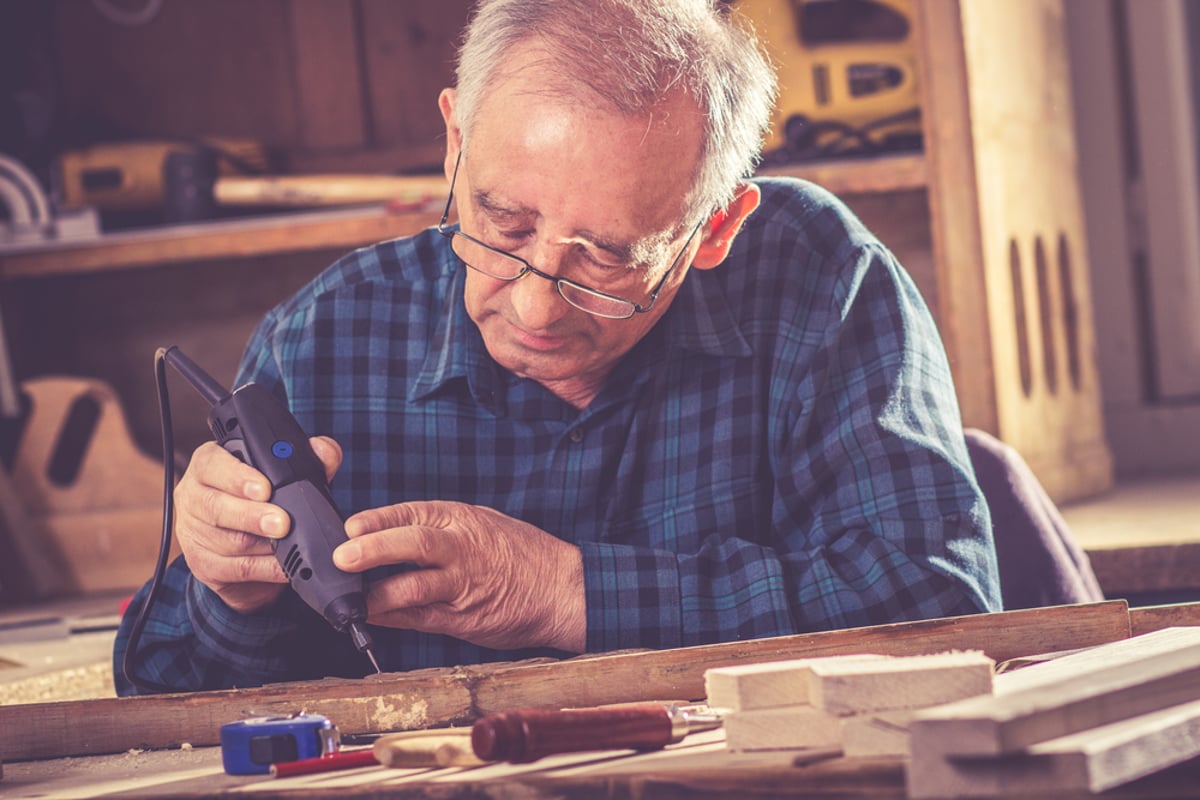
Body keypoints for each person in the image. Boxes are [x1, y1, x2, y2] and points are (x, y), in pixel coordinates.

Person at [114, 0, 1000, 695]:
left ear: (715, 226)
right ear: (456, 143)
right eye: (502, 224)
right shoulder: (325, 337)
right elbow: (154, 681)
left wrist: (566, 593)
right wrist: (232, 592)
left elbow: (943, 603)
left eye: (608, 258)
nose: (536, 303)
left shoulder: (820, 282)